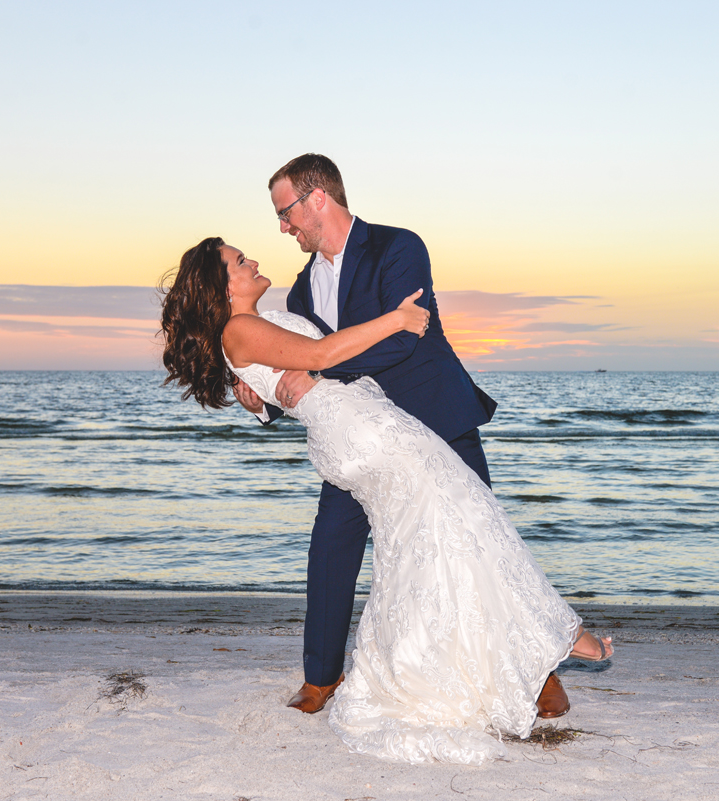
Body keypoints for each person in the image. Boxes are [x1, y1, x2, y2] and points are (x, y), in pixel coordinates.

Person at [159, 237, 613, 764]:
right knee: (466, 514)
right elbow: (321, 355)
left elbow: (289, 370)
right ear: (222, 286)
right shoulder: (239, 328)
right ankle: (554, 634)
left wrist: (257, 396)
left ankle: (453, 659)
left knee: (424, 543)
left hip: (358, 428)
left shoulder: (260, 321)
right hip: (367, 433)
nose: (256, 258)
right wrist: (397, 319)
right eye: (240, 262)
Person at [231, 153, 572, 719]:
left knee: (481, 539)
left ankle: (538, 675)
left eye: (286, 211)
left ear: (319, 198)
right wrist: (263, 399)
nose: (283, 226)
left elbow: (402, 340)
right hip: (364, 441)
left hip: (437, 417)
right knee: (330, 547)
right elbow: (290, 366)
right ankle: (321, 678)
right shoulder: (298, 293)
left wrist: (316, 370)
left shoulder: (398, 247)